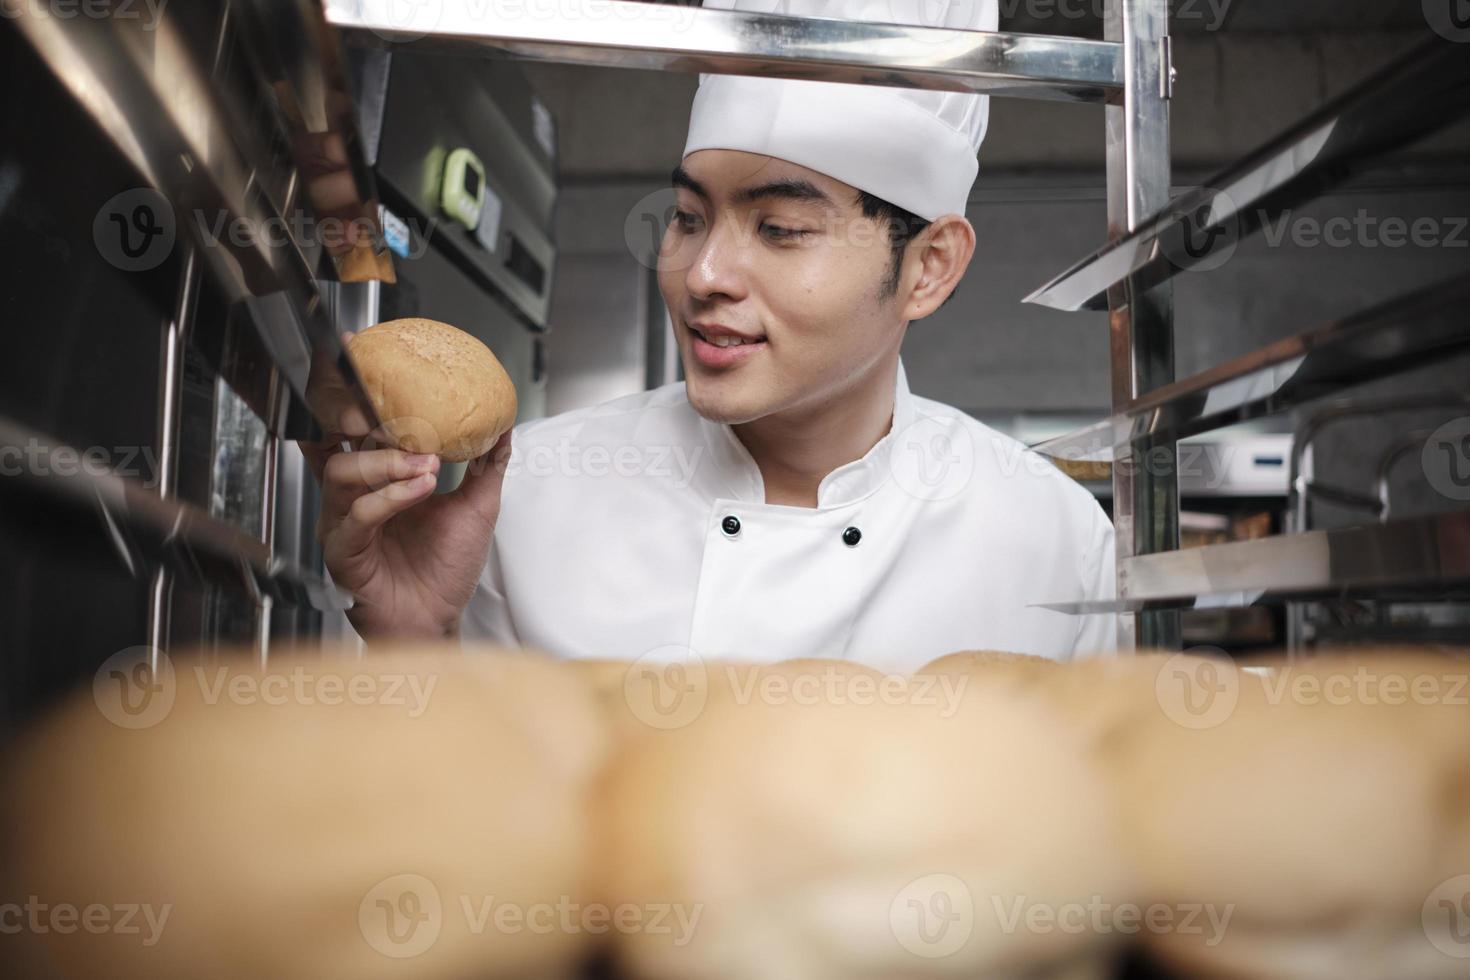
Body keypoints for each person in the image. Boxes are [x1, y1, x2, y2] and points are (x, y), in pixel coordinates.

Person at [302, 0, 1119, 673]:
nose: (702, 274)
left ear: (930, 266)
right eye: (688, 218)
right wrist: (414, 643)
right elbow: (440, 837)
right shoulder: (521, 498)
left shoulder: (1052, 540)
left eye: (782, 228)